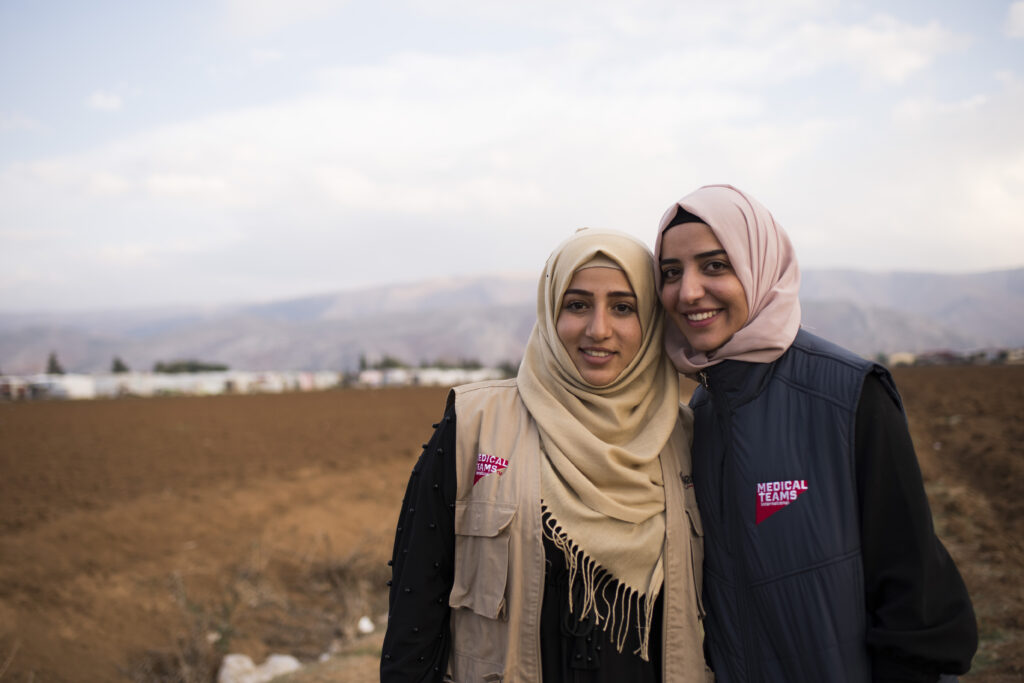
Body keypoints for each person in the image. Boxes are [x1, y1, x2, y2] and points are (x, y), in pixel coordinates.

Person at [653, 184, 978, 682]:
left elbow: (915, 595)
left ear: (759, 265)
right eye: (671, 273)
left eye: (715, 265)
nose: (688, 291)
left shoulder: (847, 393)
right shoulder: (703, 412)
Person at [381, 228, 713, 682]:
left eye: (623, 307)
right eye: (577, 305)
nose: (599, 329)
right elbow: (415, 606)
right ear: (550, 312)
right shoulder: (475, 424)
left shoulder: (690, 439)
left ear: (653, 320)